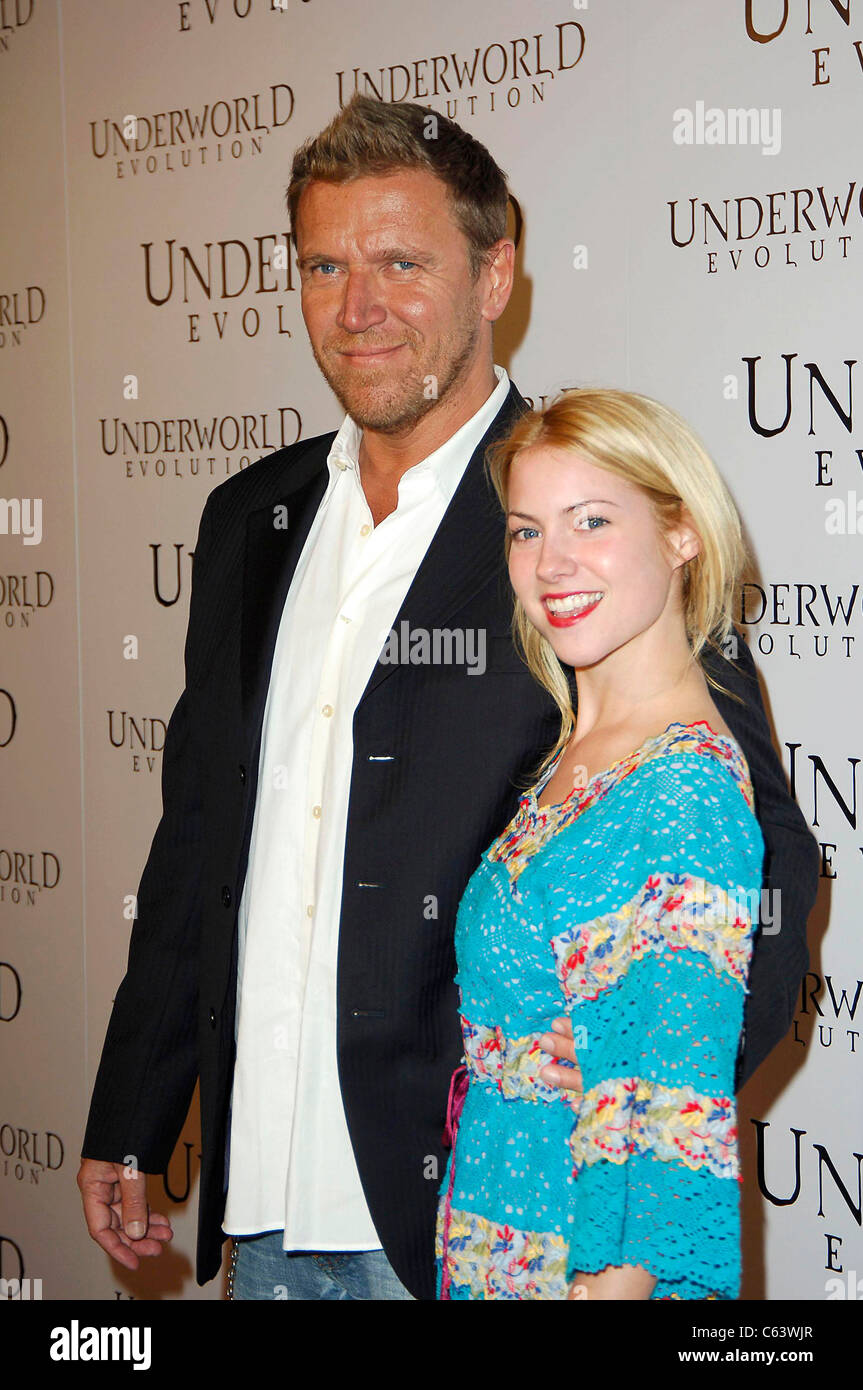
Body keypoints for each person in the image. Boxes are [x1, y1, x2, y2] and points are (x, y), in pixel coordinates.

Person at [78, 95, 816, 1303]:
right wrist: (133, 1107)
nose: (356, 306)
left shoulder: (591, 520)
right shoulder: (247, 522)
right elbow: (202, 835)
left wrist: (608, 1165)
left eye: (400, 262)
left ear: (494, 273)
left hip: (472, 1220)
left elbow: (757, 884)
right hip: (261, 1202)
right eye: (324, 264)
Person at [435, 388, 775, 1300]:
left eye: (590, 521)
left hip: (579, 1271)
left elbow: (668, 1100)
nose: (552, 563)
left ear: (681, 533)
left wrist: (617, 1282)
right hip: (502, 1240)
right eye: (525, 531)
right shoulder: (575, 754)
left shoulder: (678, 790)